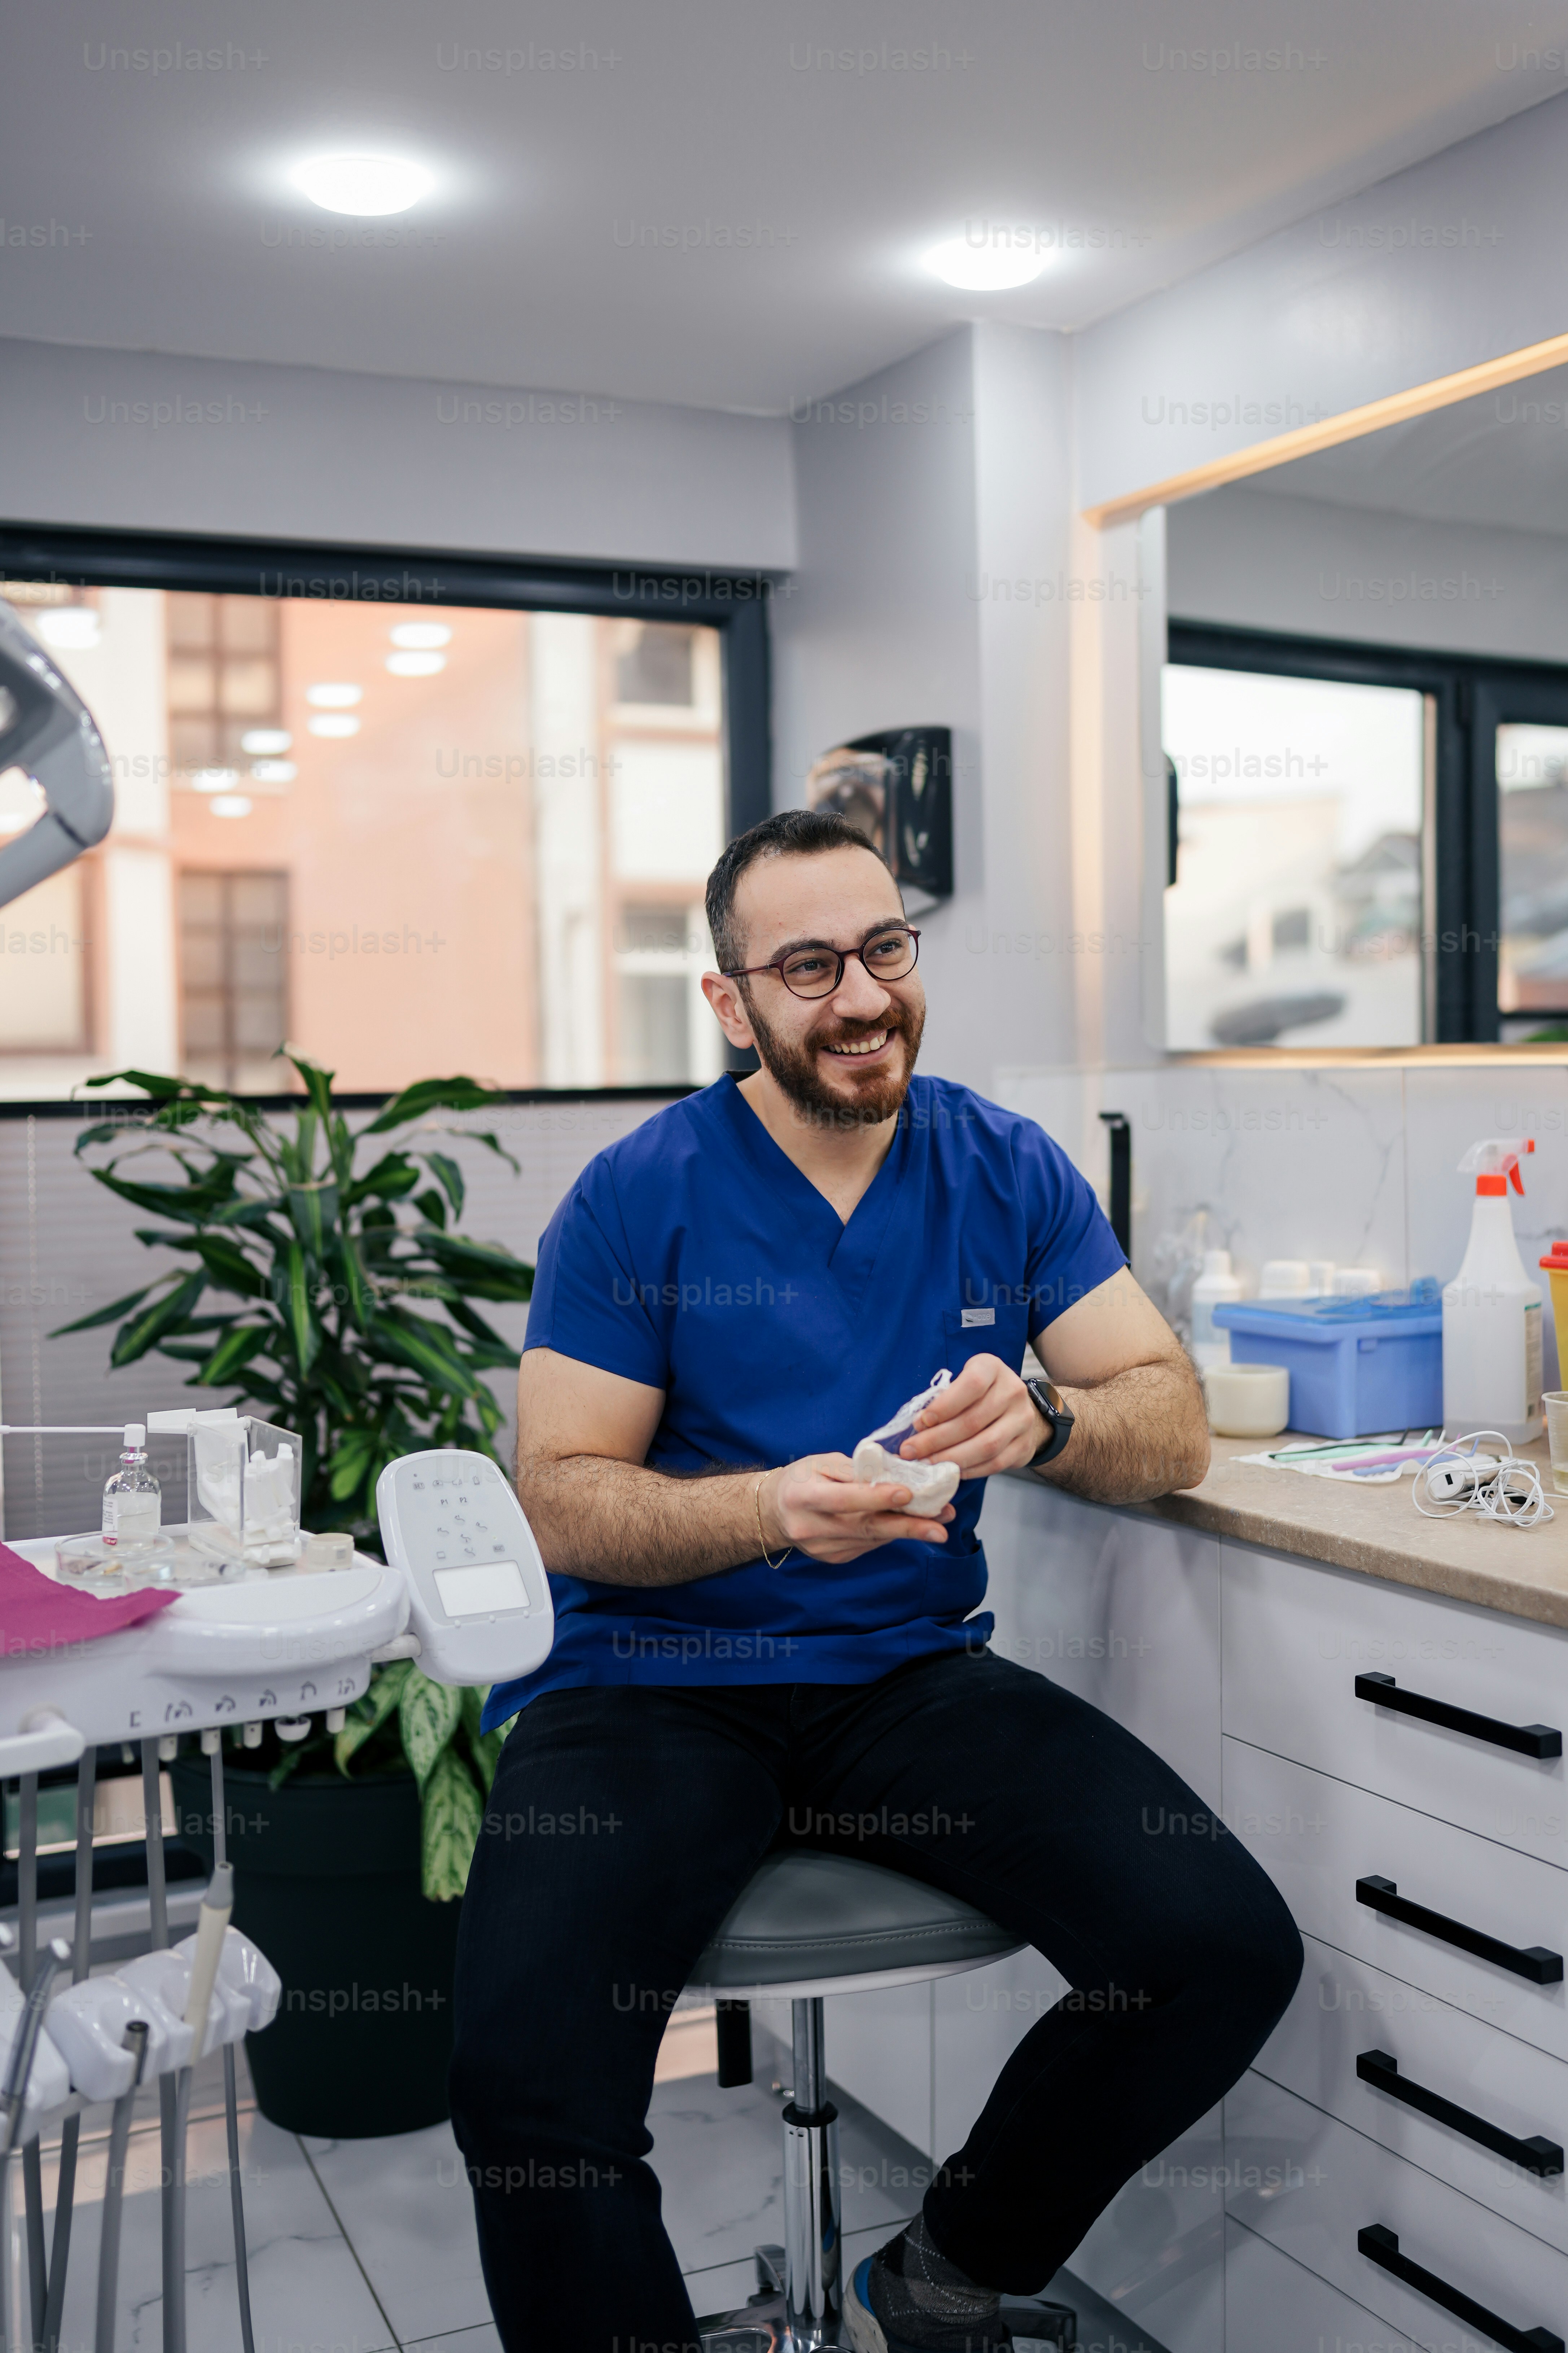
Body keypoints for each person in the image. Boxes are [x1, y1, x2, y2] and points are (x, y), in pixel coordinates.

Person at [449, 809, 1302, 2353]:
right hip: (651, 1682)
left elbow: (1165, 1416)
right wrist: (769, 1510)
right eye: (808, 964)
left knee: (1216, 1946)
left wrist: (1048, 1421)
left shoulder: (999, 1163)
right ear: (732, 1002)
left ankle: (947, 2264)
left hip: (902, 1678)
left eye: (885, 947)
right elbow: (563, 1502)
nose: (861, 995)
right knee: (526, 2085)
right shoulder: (641, 1194)